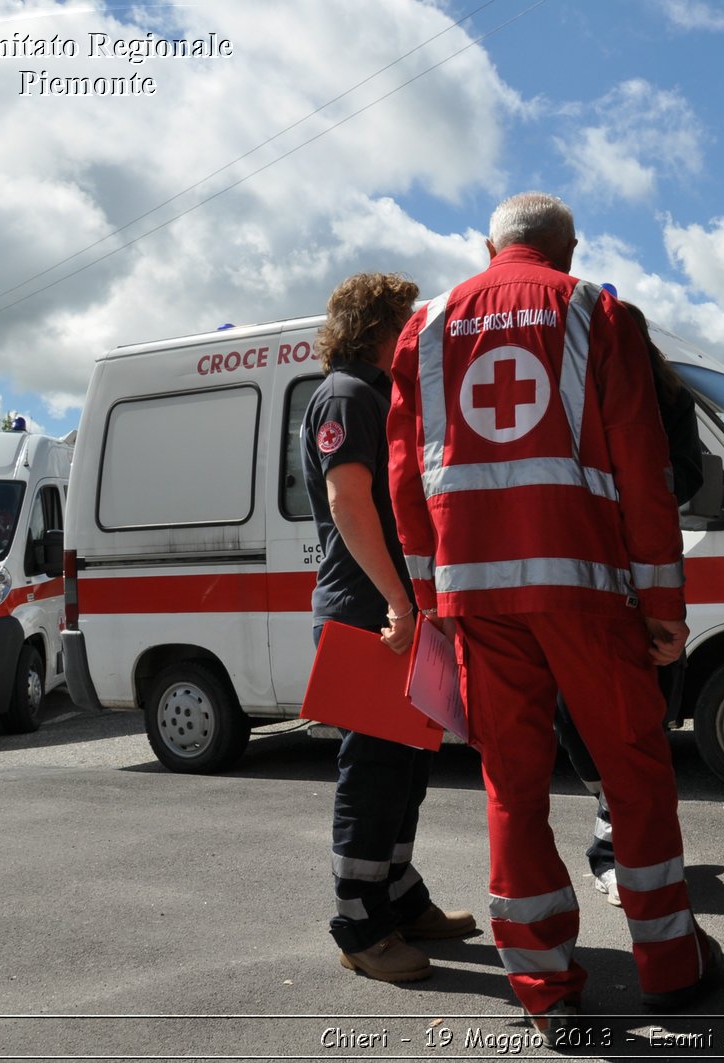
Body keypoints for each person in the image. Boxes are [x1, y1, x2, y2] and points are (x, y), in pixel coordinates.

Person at [386, 192, 722, 1031]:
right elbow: (643, 467)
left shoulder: (424, 327)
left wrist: (434, 602)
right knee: (635, 772)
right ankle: (669, 965)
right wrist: (663, 603)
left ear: (487, 244)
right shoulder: (593, 308)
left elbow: (404, 482)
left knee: (514, 787)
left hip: (478, 598)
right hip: (587, 588)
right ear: (567, 249)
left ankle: (544, 991)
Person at [303, 271, 475, 985]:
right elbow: (349, 500)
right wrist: (398, 604)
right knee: (373, 773)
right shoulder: (345, 394)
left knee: (406, 768)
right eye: (404, 318)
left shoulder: (374, 393)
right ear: (377, 324)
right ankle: (359, 923)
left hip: (395, 611)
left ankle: (397, 894)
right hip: (369, 614)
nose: (414, 330)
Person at [553, 299, 704, 907]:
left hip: (641, 573)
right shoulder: (573, 392)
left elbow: (688, 478)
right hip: (585, 574)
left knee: (642, 719)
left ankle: (619, 844)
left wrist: (639, 486)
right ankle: (611, 821)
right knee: (578, 718)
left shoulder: (670, 400)